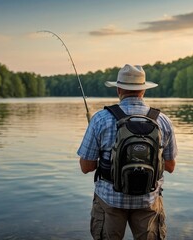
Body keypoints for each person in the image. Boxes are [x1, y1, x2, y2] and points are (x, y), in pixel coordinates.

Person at [77, 64, 177, 240]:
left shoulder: (100, 119)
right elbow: (170, 166)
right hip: (148, 199)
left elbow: (86, 167)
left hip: (110, 199)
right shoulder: (162, 121)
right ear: (143, 90)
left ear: (118, 89)